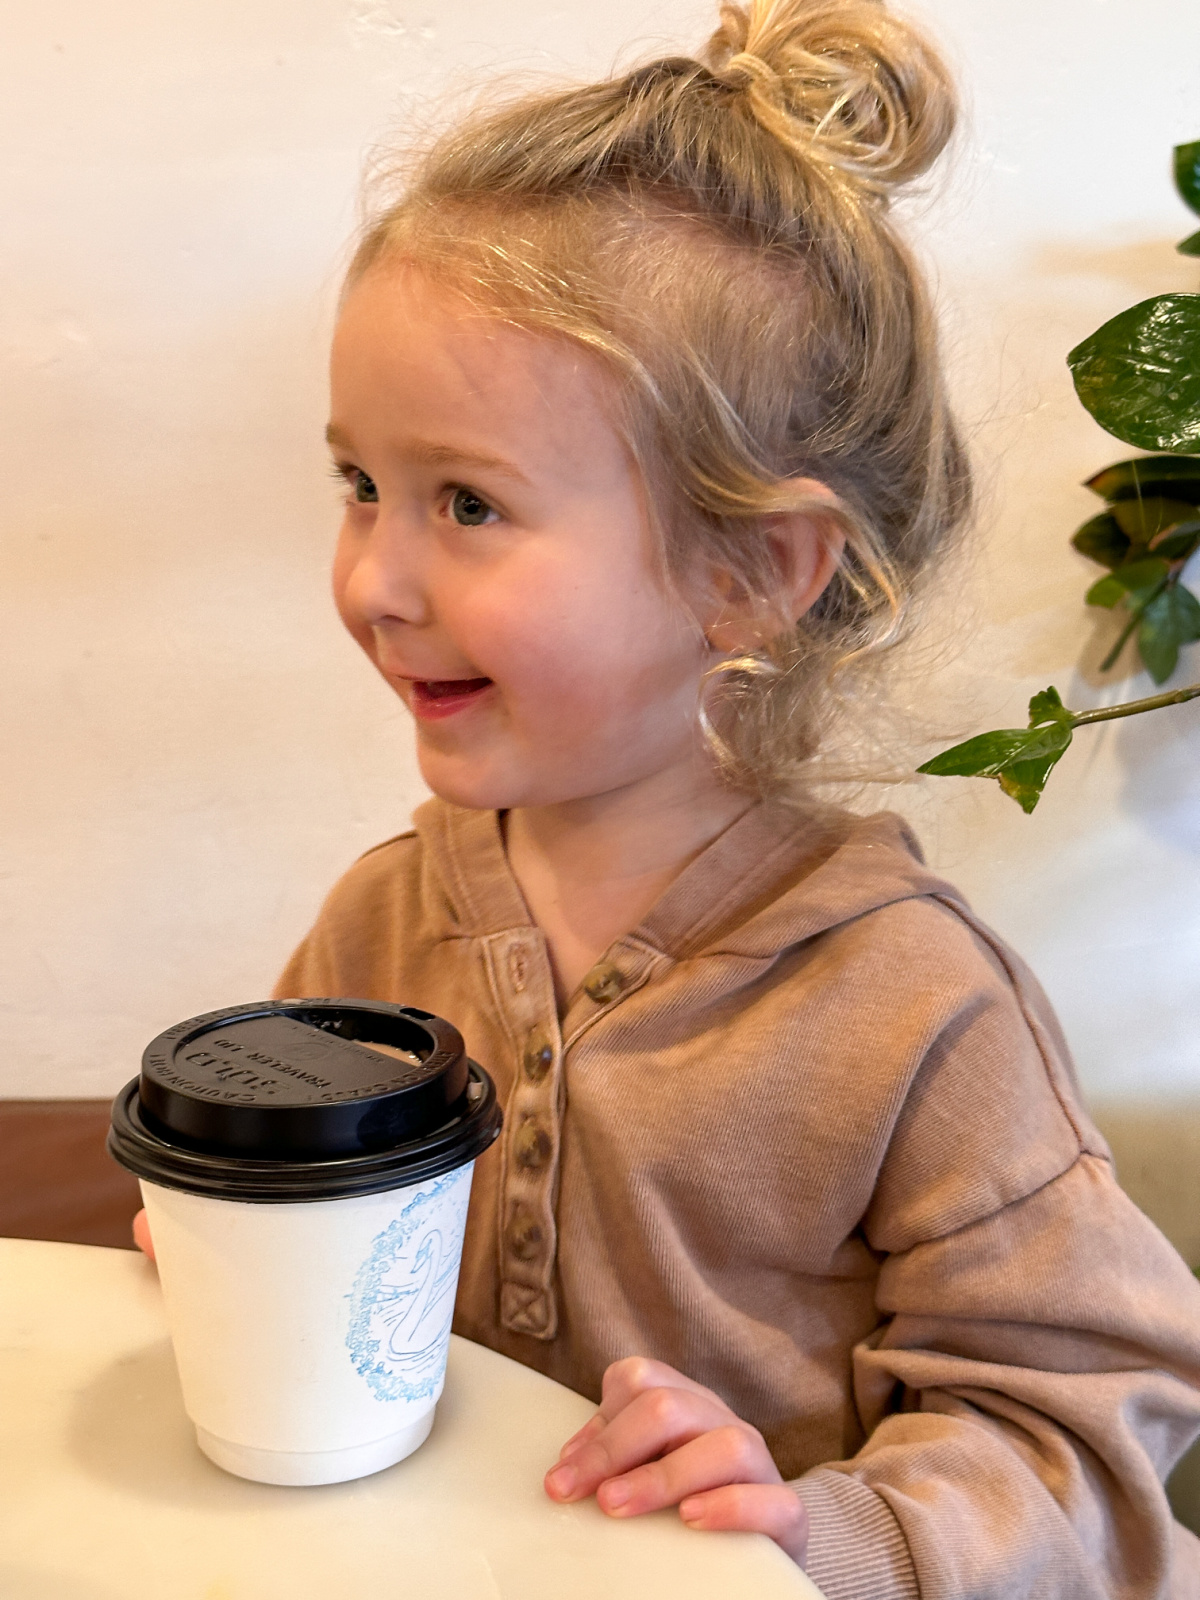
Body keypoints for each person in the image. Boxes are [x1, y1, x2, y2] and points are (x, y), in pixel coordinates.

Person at [135, 1, 1200, 1593]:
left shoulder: (914, 1004)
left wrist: (820, 1530)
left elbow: (1083, 1433)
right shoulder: (380, 921)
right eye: (361, 484)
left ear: (750, 573)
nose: (375, 579)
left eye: (469, 503)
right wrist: (235, 1254)